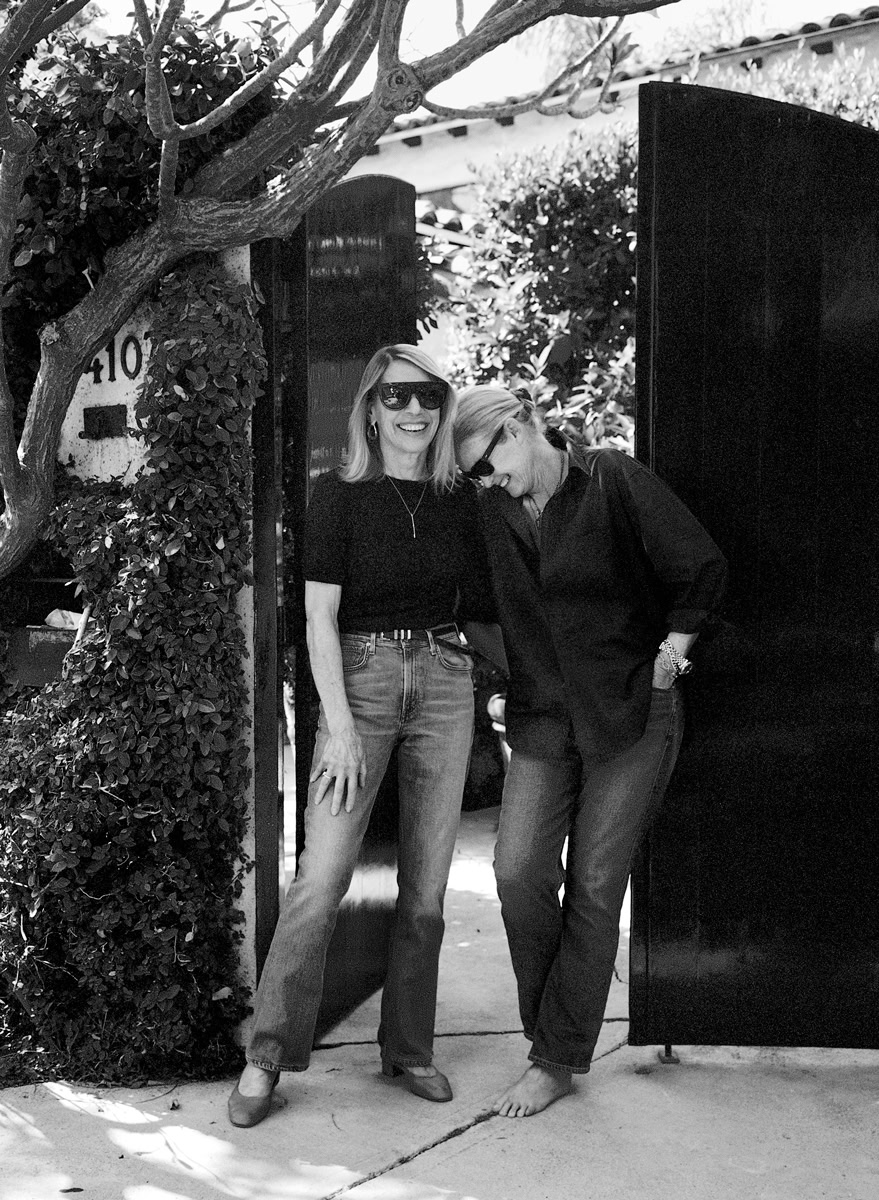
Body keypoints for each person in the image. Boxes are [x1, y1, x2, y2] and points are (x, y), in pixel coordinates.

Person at [228, 345, 495, 1127]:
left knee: (427, 884)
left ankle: (408, 1048)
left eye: (429, 398)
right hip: (361, 678)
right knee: (323, 875)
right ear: (372, 410)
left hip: (445, 680)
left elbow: (490, 600)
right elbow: (316, 618)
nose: (415, 411)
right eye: (398, 397)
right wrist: (337, 729)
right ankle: (267, 1053)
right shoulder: (338, 496)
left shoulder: (459, 500)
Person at [453, 386, 727, 1118]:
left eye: (487, 464)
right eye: (475, 476)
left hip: (632, 714)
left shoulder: (612, 480)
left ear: (517, 430)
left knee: (597, 885)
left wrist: (672, 656)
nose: (487, 483)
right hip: (543, 719)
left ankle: (554, 1058)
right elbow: (477, 610)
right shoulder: (491, 513)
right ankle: (564, 1015)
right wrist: (499, 684)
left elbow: (700, 567)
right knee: (517, 873)